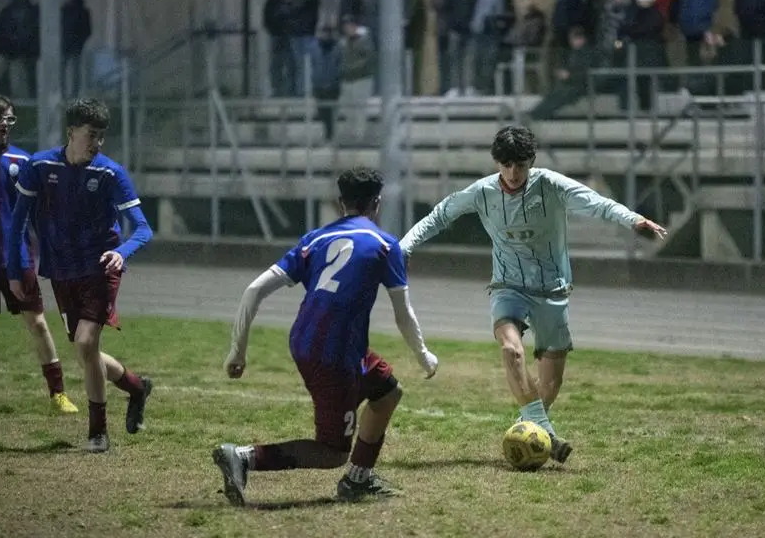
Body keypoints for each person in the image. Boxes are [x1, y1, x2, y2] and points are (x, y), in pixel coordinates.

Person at [399, 126, 667, 464]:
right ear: (497, 163)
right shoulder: (482, 192)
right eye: (506, 165)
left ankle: (532, 429)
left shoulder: (552, 185)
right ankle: (543, 431)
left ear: (531, 162)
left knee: (549, 385)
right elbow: (440, 215)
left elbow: (597, 203)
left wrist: (634, 220)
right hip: (508, 288)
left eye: (521, 165)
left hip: (553, 291)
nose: (513, 173)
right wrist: (403, 246)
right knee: (511, 349)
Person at [214, 167, 439, 505]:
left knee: (387, 392)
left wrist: (237, 351)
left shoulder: (315, 239)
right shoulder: (384, 244)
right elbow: (403, 314)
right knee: (332, 451)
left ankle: (358, 479)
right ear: (377, 203)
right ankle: (245, 457)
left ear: (340, 202)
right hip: (334, 355)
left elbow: (253, 290)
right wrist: (424, 355)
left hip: (311, 341)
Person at [7, 98, 155, 453]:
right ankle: (135, 387)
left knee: (86, 343)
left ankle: (97, 433)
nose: (97, 143)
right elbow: (17, 226)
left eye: (102, 136)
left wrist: (121, 253)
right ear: (71, 131)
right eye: (91, 134)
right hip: (60, 271)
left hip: (100, 269)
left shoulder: (109, 173)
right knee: (85, 351)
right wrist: (16, 272)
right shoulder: (38, 167)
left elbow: (144, 229)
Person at [0, 93, 77, 413]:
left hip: (16, 258)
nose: (5, 126)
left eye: (9, 119)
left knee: (37, 323)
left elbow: (41, 213)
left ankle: (57, 394)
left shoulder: (22, 162)